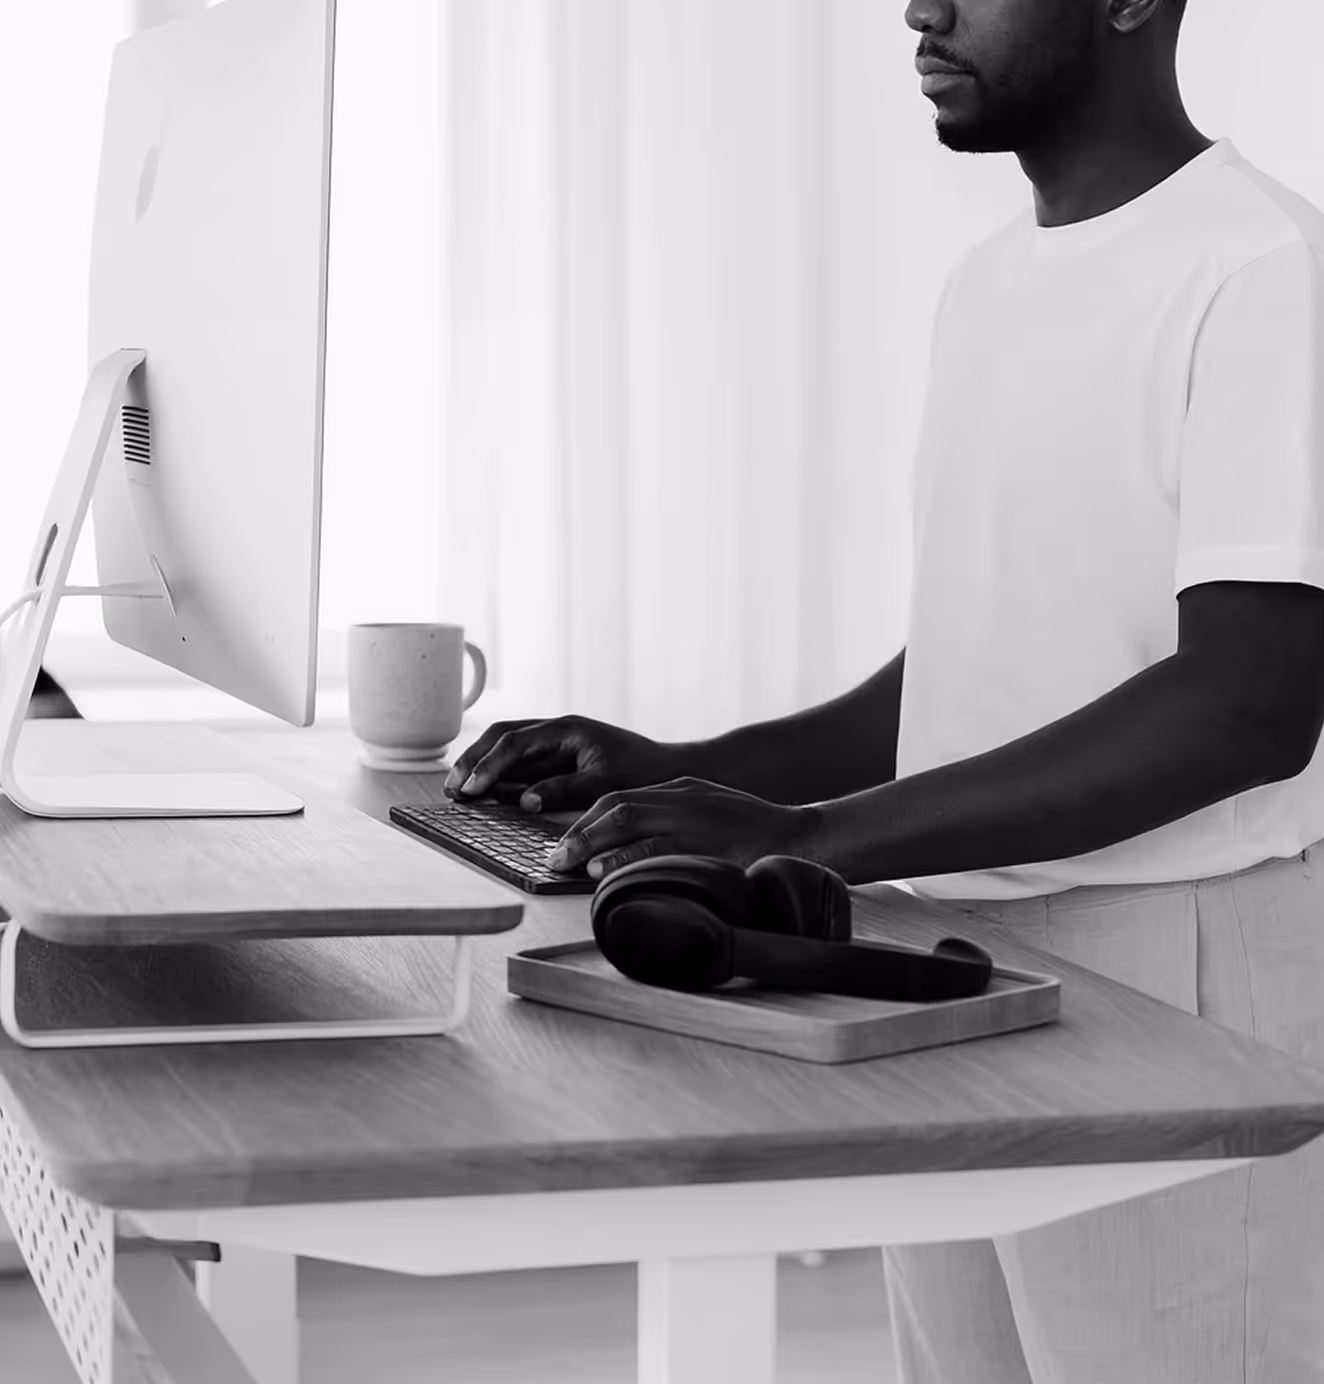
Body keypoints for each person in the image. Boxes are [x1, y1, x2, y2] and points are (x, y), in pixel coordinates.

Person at [447, 0, 1324, 1377]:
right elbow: (975, 666)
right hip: (958, 953)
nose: (920, 6)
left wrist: (813, 844)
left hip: (1179, 960)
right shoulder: (990, 281)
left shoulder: (1268, 267)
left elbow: (1249, 706)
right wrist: (686, 765)